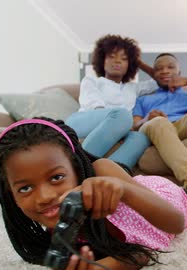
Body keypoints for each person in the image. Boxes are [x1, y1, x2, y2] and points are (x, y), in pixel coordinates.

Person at [0, 117, 187, 270]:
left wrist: (124, 189)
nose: (44, 197)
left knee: (185, 205)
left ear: (77, 168)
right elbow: (134, 255)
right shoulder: (58, 223)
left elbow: (176, 224)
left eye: (57, 177)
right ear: (10, 194)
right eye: (25, 188)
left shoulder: (102, 170)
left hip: (156, 194)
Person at [132, 53, 187, 198]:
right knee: (159, 122)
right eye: (159, 69)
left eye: (170, 67)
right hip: (155, 126)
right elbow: (134, 125)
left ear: (179, 72)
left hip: (183, 124)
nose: (165, 71)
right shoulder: (143, 99)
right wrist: (147, 118)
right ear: (153, 75)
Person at [66, 34, 158, 172]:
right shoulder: (91, 81)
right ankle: (82, 165)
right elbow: (95, 105)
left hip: (119, 126)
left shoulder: (133, 88)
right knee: (123, 116)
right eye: (111, 56)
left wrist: (139, 63)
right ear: (102, 60)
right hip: (82, 121)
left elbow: (158, 82)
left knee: (141, 137)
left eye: (124, 58)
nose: (117, 61)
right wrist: (120, 123)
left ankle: (109, 174)